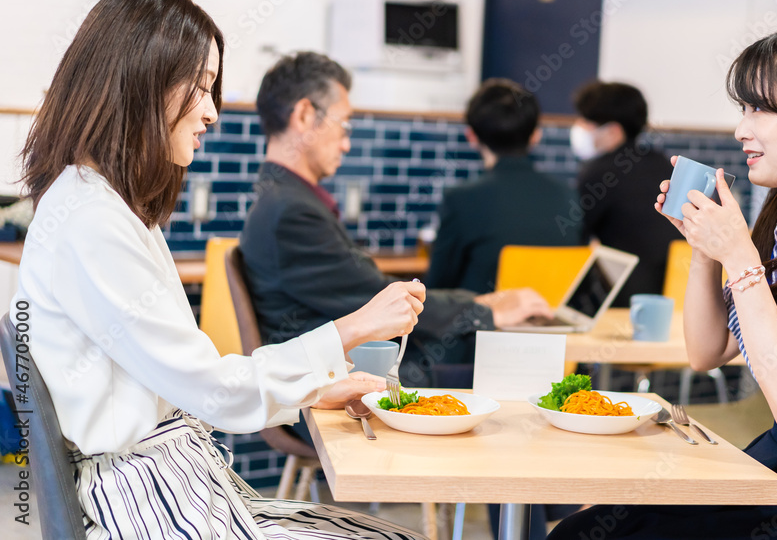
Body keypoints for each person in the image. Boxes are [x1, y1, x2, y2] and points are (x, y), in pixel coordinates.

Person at [11, 0, 429, 539]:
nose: (211, 112)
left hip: (176, 482)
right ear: (143, 77)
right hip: (147, 502)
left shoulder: (107, 204)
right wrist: (352, 330)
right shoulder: (91, 219)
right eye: (201, 88)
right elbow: (214, 390)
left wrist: (314, 388)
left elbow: (184, 384)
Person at [550, 26, 777, 539]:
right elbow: (706, 351)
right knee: (589, 526)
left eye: (763, 110)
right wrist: (704, 251)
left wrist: (739, 255)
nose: (741, 130)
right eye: (743, 109)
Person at [239, 53, 553, 394]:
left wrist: (482, 305)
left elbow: (367, 292)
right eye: (344, 125)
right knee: (518, 364)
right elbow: (374, 302)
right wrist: (484, 312)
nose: (346, 143)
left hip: (350, 369)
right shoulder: (290, 213)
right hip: (342, 382)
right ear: (304, 115)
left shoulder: (284, 202)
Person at [424, 78, 581, 294]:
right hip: (556, 325)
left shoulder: (461, 199)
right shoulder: (569, 195)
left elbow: (436, 290)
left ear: (471, 136)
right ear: (536, 136)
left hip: (485, 325)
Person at [569, 82, 683, 306]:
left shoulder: (599, 171)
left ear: (613, 132)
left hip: (624, 298)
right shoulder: (662, 163)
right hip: (674, 297)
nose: (578, 127)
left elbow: (575, 235)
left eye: (587, 122)